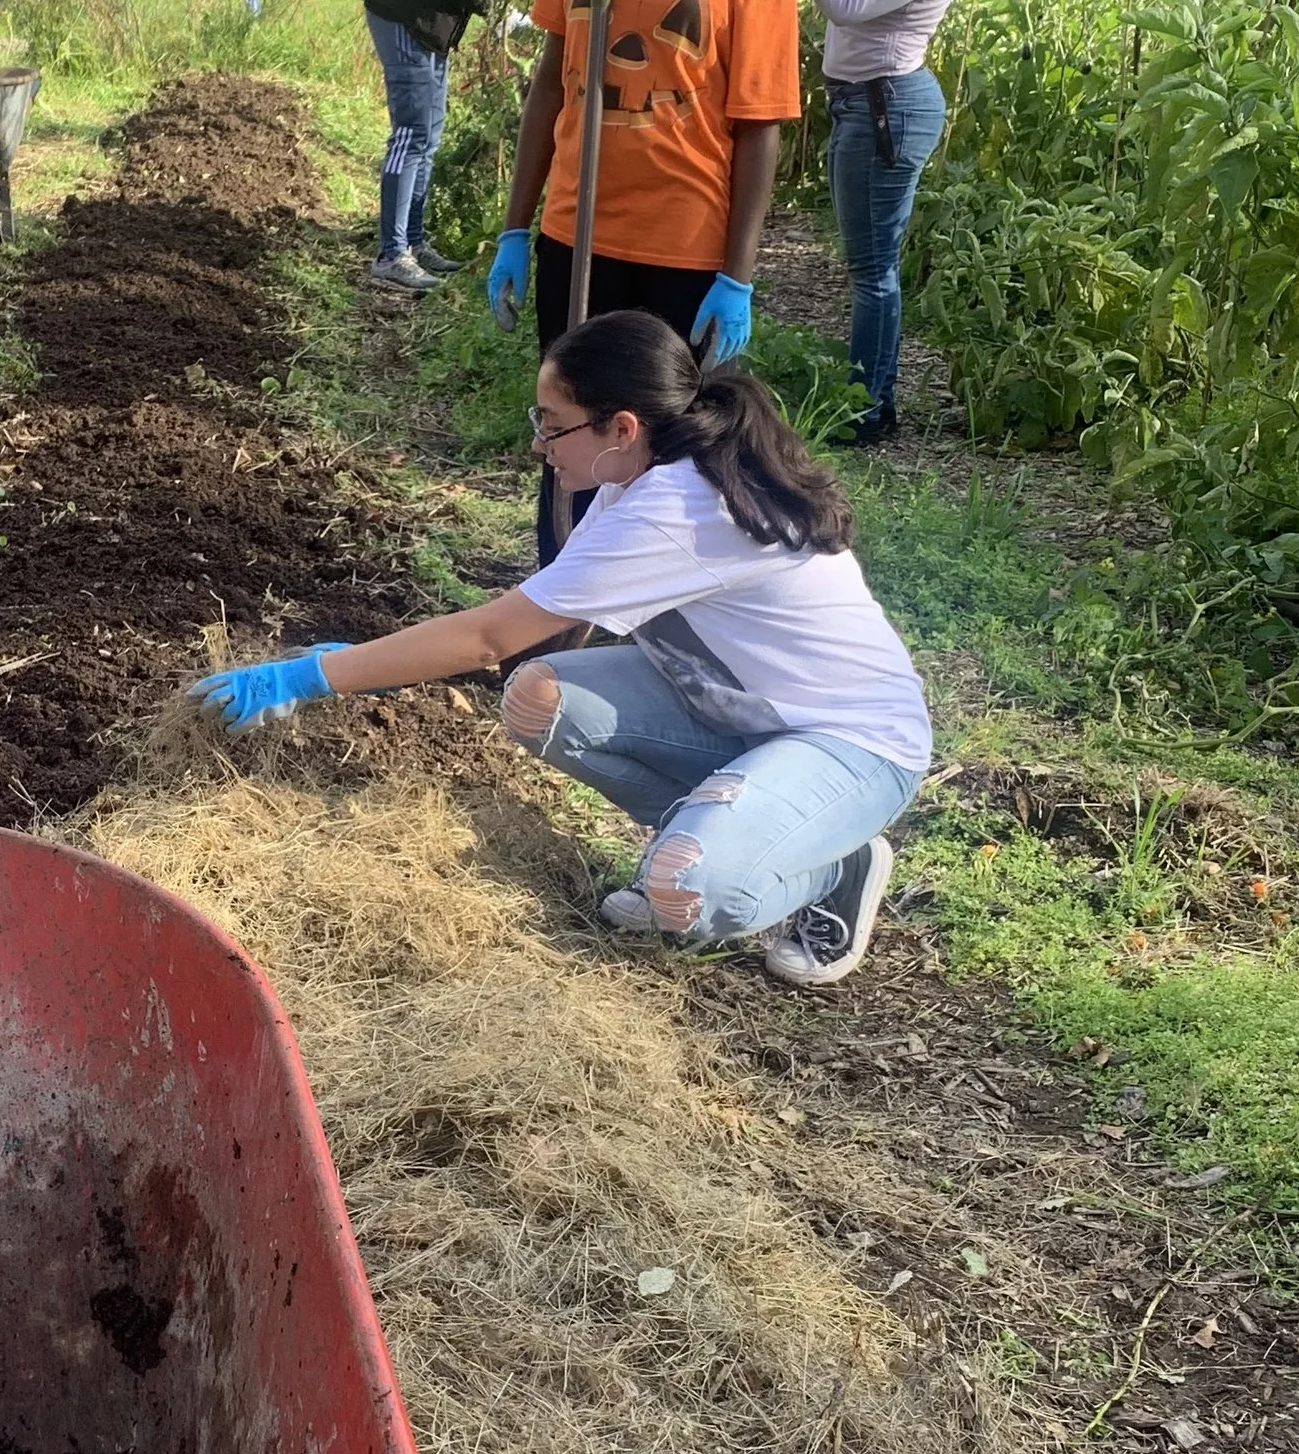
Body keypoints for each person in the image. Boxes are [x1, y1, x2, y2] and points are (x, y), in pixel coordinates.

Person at [189, 310, 930, 991]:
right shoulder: (634, 480)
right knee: (540, 696)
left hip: (853, 741)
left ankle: (834, 865)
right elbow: (538, 624)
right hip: (742, 705)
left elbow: (488, 637)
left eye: (552, 425)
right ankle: (730, 828)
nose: (538, 444)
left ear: (621, 428)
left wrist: (309, 674)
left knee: (683, 888)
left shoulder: (676, 507)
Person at [488, 0, 802, 558]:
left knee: (662, 454)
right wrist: (516, 227)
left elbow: (759, 119)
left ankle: (647, 625)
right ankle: (558, 611)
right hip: (574, 232)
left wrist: (737, 275)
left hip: (681, 247)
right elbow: (551, 81)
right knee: (568, 441)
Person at [765, 0, 992, 444]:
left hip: (886, 106)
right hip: (865, 103)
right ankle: (872, 399)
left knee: (873, 272)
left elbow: (851, 2)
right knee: (871, 267)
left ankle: (867, 409)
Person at [359, 0, 521, 292]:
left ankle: (414, 241)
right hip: (406, 17)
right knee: (410, 134)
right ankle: (391, 254)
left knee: (428, 135)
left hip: (433, 30)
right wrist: (495, 10)